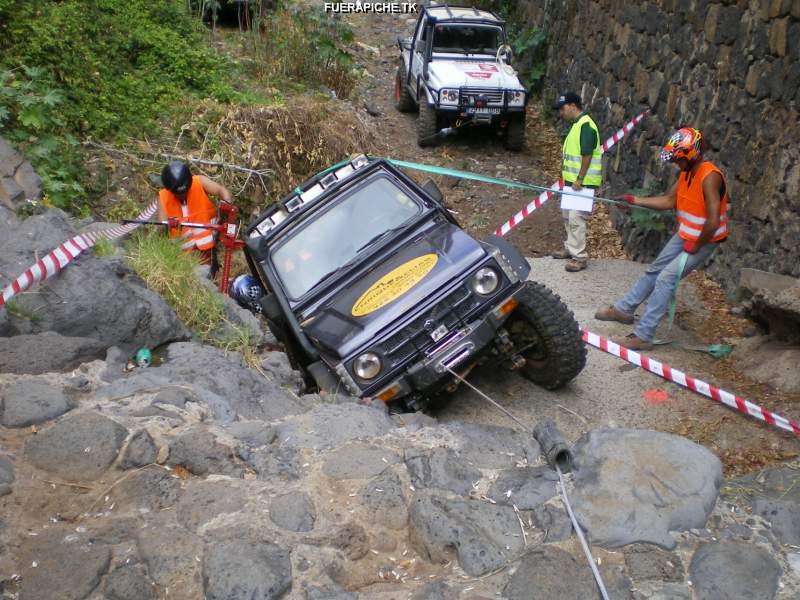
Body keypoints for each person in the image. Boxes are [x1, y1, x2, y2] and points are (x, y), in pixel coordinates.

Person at [594, 127, 729, 350]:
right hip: (685, 234)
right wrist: (634, 200)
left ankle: (644, 335)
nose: (675, 163)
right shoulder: (686, 172)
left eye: (678, 159)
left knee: (666, 278)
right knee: (655, 269)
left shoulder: (709, 177)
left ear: (691, 155)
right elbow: (669, 201)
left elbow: (713, 221)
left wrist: (696, 244)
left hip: (704, 240)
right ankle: (624, 309)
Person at [551, 91, 602, 272]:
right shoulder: (577, 124)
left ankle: (579, 257)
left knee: (576, 218)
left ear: (573, 106)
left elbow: (587, 155)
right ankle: (570, 248)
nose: (561, 112)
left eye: (562, 108)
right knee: (567, 216)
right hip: (572, 183)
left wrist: (580, 178)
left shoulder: (586, 125)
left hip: (582, 183)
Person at [157, 160, 232, 275]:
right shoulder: (163, 197)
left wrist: (227, 202)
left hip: (207, 248)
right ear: (170, 190)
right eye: (178, 194)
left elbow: (221, 190)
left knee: (209, 276)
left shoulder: (199, 182)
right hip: (183, 256)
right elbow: (160, 227)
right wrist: (167, 224)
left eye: (185, 192)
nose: (183, 195)